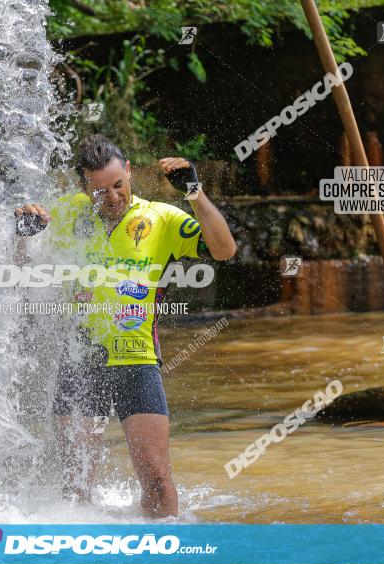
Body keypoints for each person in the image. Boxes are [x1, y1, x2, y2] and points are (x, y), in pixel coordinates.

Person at [14, 134, 236, 517]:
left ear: (129, 170)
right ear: (84, 187)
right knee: (75, 485)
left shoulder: (162, 218)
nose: (114, 197)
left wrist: (195, 193)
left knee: (156, 478)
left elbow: (224, 250)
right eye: (101, 191)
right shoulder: (65, 215)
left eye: (119, 185)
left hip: (137, 360)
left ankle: (163, 557)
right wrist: (22, 238)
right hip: (79, 359)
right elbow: (22, 274)